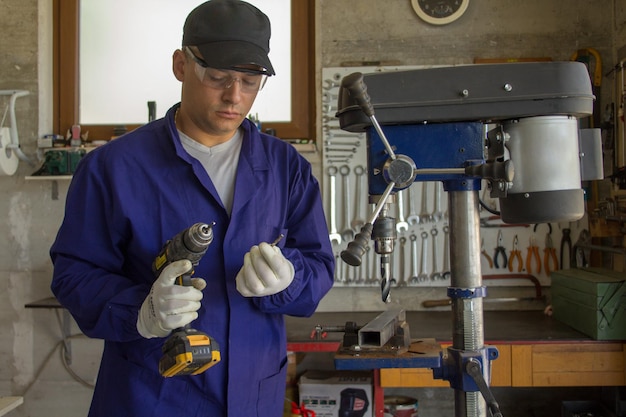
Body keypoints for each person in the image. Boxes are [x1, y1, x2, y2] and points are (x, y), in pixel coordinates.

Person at [49, 1, 334, 416]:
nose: (234, 95)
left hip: (254, 396)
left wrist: (290, 278)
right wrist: (142, 311)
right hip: (151, 397)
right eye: (217, 76)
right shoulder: (113, 168)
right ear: (181, 65)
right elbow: (73, 274)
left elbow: (319, 267)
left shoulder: (285, 168)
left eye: (250, 81)